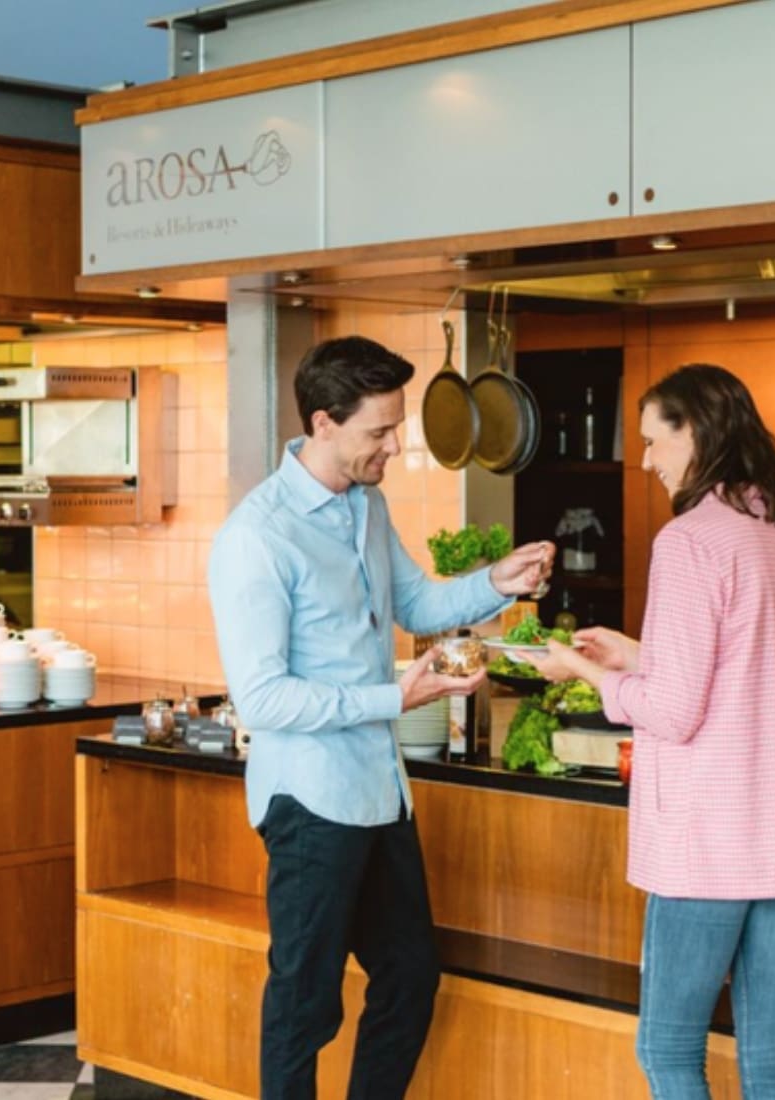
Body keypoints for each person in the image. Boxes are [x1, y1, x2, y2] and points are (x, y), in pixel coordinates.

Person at [209, 336, 554, 1100]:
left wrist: (497, 581)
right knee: (305, 1002)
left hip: (378, 791)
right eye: (380, 431)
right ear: (323, 423)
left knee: (408, 976)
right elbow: (262, 699)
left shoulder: (366, 505)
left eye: (397, 428)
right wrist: (393, 699)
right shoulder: (257, 536)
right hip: (309, 799)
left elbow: (418, 603)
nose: (395, 446)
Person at [522, 364, 775, 1099]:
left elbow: (672, 712)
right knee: (771, 1059)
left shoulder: (689, 540)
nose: (645, 460)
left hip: (710, 844)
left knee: (667, 1051)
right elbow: (745, 671)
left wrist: (581, 670)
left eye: (652, 440)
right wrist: (635, 654)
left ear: (693, 431)